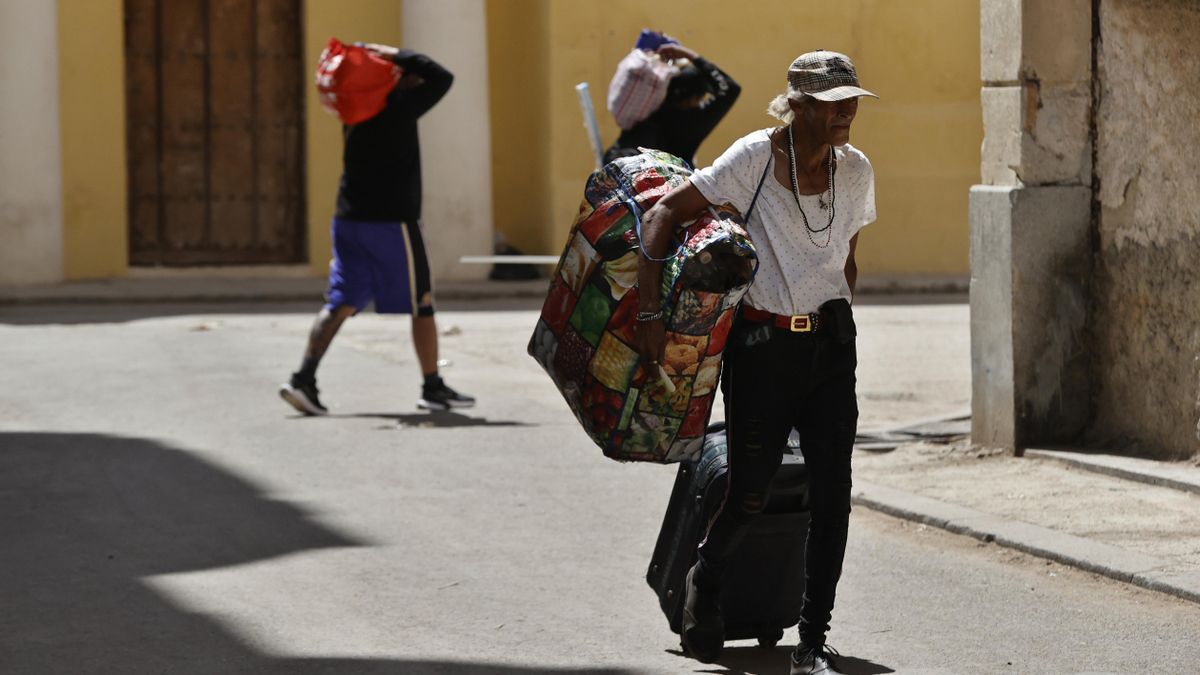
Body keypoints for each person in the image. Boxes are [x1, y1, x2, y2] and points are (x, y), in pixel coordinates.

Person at [633, 51, 877, 675]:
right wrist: (651, 318)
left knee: (834, 496)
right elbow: (663, 214)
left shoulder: (855, 172)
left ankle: (812, 640)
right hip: (764, 350)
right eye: (831, 102)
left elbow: (846, 259)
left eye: (851, 99)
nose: (846, 111)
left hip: (830, 348)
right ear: (797, 106)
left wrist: (837, 322)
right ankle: (704, 581)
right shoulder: (754, 160)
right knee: (748, 493)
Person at [279, 44, 474, 416]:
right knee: (423, 301)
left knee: (341, 300)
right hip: (392, 223)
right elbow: (441, 76)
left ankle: (302, 378)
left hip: (348, 219)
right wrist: (394, 54)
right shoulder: (397, 108)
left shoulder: (353, 111)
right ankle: (432, 386)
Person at [603, 42, 740, 168]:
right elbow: (731, 88)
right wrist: (691, 56)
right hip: (672, 187)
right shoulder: (694, 120)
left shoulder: (651, 109)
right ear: (693, 98)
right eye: (701, 97)